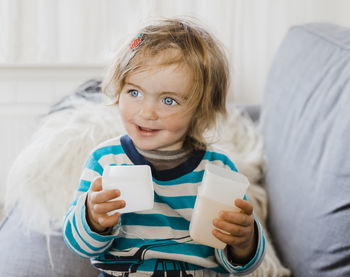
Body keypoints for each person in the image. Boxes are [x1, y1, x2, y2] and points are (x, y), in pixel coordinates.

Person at [63, 18, 265, 277]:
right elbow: (80, 246)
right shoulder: (105, 160)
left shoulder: (217, 169)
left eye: (168, 100)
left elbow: (239, 265)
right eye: (134, 92)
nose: (146, 113)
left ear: (200, 110)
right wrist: (92, 217)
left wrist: (243, 242)